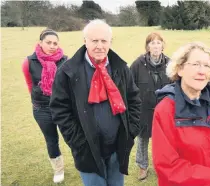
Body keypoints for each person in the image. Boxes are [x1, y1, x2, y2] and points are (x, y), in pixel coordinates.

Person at [49, 19, 141, 186]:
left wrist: (130, 131)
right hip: (87, 150)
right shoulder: (67, 72)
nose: (99, 46)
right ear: (85, 41)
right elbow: (59, 110)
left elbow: (135, 100)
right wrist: (78, 142)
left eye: (104, 41)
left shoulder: (121, 68)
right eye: (94, 40)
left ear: (110, 42)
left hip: (117, 147)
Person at [152, 42, 210, 186]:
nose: (202, 71)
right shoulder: (165, 110)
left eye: (207, 66)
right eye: (196, 64)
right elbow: (167, 166)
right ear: (180, 69)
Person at [22, 28, 67, 183]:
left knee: (72, 137)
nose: (52, 46)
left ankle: (83, 163)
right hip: (41, 108)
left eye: (55, 43)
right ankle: (58, 169)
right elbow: (30, 84)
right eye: (48, 42)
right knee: (51, 139)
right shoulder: (29, 62)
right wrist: (37, 100)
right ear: (40, 43)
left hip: (62, 107)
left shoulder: (65, 61)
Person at [130, 32, 170, 180]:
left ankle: (163, 166)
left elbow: (175, 86)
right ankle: (142, 166)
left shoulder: (170, 64)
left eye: (158, 43)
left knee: (163, 141)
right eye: (152, 43)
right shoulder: (137, 64)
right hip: (143, 110)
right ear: (147, 46)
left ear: (163, 45)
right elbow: (129, 86)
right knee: (142, 139)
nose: (156, 46)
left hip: (164, 111)